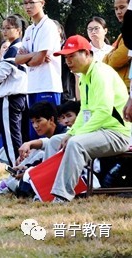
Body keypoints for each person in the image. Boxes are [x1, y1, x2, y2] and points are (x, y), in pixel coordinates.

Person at [47, 35, 131, 202]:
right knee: (54, 141)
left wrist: (76, 136)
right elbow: (84, 112)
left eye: (72, 56)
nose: (68, 61)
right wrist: (70, 133)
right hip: (100, 131)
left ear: (86, 53)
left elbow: (103, 112)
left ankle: (62, 196)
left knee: (76, 144)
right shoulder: (84, 77)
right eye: (66, 58)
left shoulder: (101, 73)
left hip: (118, 133)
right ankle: (44, 189)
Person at [0, 101, 67, 196]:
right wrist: (28, 145)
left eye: (38, 121)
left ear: (51, 119)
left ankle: (9, 185)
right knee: (34, 150)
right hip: (49, 172)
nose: (35, 126)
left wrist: (29, 170)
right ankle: (8, 184)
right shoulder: (52, 136)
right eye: (32, 122)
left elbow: (52, 159)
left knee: (39, 153)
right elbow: (45, 143)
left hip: (57, 177)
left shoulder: (64, 135)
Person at [15, 0, 63, 140]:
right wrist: (34, 56)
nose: (28, 6)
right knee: (34, 132)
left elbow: (39, 59)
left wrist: (32, 58)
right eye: (25, 3)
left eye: (32, 2)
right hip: (32, 87)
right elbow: (18, 59)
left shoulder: (49, 26)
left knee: (49, 131)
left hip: (48, 85)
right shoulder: (29, 30)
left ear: (42, 3)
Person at [0, 15, 28, 167]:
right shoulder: (19, 47)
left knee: (11, 138)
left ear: (18, 30)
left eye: (8, 28)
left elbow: (0, 75)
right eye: (3, 28)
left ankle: (16, 169)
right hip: (20, 97)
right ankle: (20, 169)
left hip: (10, 98)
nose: (4, 31)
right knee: (17, 135)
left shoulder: (14, 49)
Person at [103, 0, 131, 90]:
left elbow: (115, 61)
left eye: (122, 7)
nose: (118, 11)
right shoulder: (123, 34)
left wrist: (108, 55)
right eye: (116, 8)